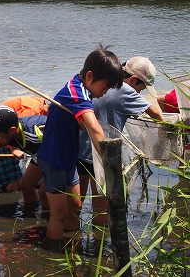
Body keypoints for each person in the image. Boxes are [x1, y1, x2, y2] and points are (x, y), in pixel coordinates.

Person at [36, 45, 123, 250]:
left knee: (75, 206)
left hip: (68, 158)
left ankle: (69, 248)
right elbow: (94, 128)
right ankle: (53, 255)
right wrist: (110, 165)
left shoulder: (82, 89)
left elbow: (85, 121)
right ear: (90, 76)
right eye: (105, 87)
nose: (104, 93)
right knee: (59, 215)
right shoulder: (76, 93)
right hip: (53, 159)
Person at [77, 56, 164, 227]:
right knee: (101, 206)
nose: (140, 93)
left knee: (76, 203)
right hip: (101, 153)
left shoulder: (102, 82)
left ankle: (72, 240)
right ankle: (98, 245)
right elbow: (157, 114)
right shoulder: (125, 89)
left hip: (79, 150)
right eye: (142, 87)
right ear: (132, 79)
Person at [0, 105, 48, 207]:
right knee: (26, 184)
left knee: (44, 193)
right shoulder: (12, 133)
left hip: (54, 155)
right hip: (40, 155)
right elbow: (2, 141)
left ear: (12, 130)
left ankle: (48, 218)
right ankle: (30, 214)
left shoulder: (35, 135)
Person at [0, 96, 49, 193]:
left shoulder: (39, 116)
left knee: (31, 185)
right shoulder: (32, 115)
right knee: (12, 184)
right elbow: (13, 132)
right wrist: (13, 149)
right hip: (0, 135)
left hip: (1, 133)